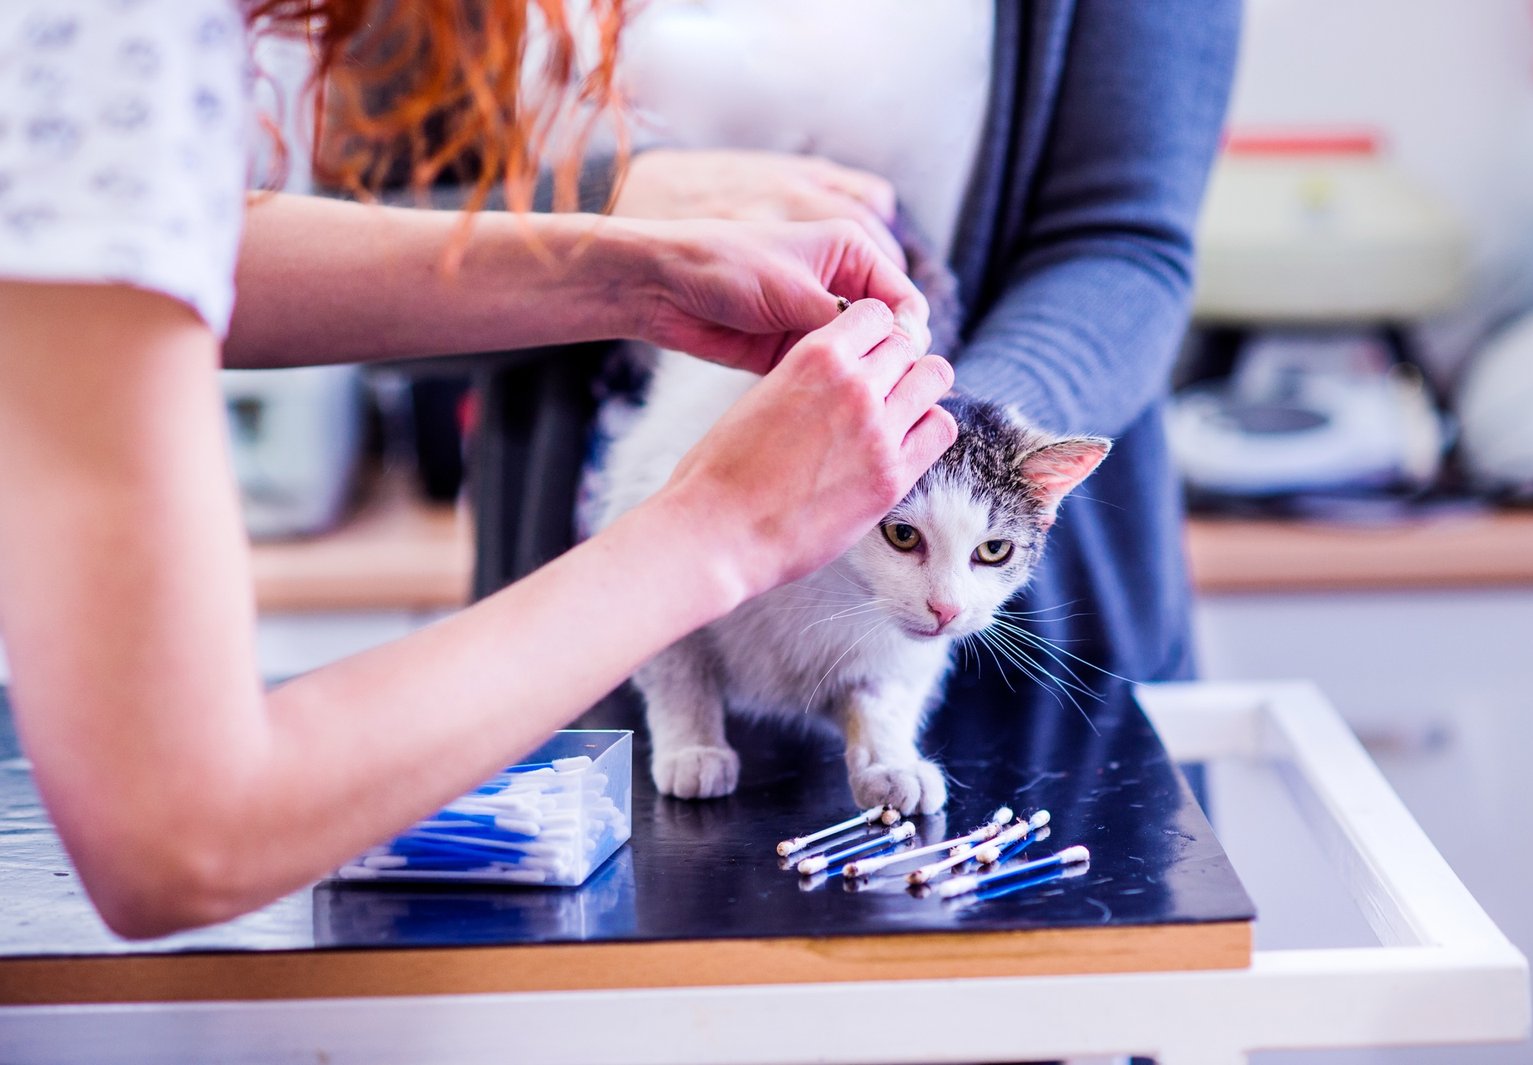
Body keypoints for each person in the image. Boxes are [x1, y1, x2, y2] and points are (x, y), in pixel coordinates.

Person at [0, 1, 954, 938]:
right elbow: (182, 831)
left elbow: (189, 243)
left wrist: (635, 275)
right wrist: (721, 523)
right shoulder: (106, 28)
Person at [474, 2, 1242, 696]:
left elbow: (1124, 244)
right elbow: (366, 246)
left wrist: (940, 437)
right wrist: (604, 209)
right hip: (590, 579)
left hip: (1002, 654)